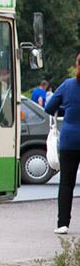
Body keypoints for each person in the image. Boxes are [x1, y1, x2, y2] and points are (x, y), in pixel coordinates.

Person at [44, 53, 80, 234]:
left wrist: (69, 109)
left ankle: (63, 224)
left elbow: (49, 108)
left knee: (66, 183)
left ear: (77, 65)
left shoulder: (68, 85)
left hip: (69, 140)